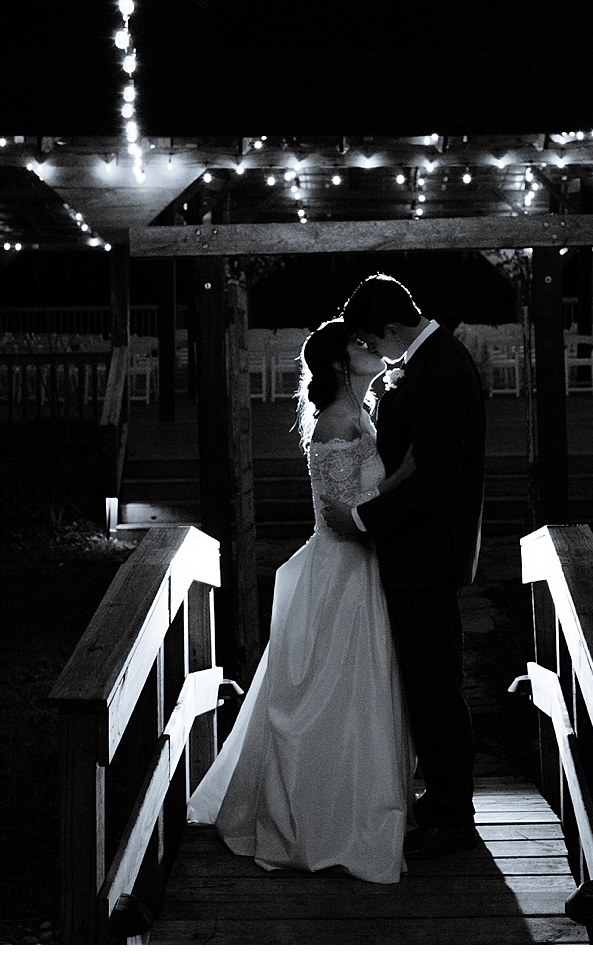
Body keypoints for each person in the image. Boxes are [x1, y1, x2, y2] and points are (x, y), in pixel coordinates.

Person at [187, 319, 417, 882]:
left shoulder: (359, 414)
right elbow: (344, 518)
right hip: (341, 575)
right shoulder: (338, 425)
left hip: (360, 572)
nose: (372, 348)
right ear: (341, 364)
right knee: (334, 695)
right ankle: (326, 822)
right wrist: (404, 480)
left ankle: (358, 804)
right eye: (361, 344)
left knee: (362, 694)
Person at [319, 273, 487, 859]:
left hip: (427, 556)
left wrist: (363, 521)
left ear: (392, 329)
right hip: (421, 554)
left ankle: (452, 815)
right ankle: (442, 801)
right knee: (428, 682)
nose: (374, 351)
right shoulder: (433, 359)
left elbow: (437, 480)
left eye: (373, 340)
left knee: (435, 686)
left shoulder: (437, 368)